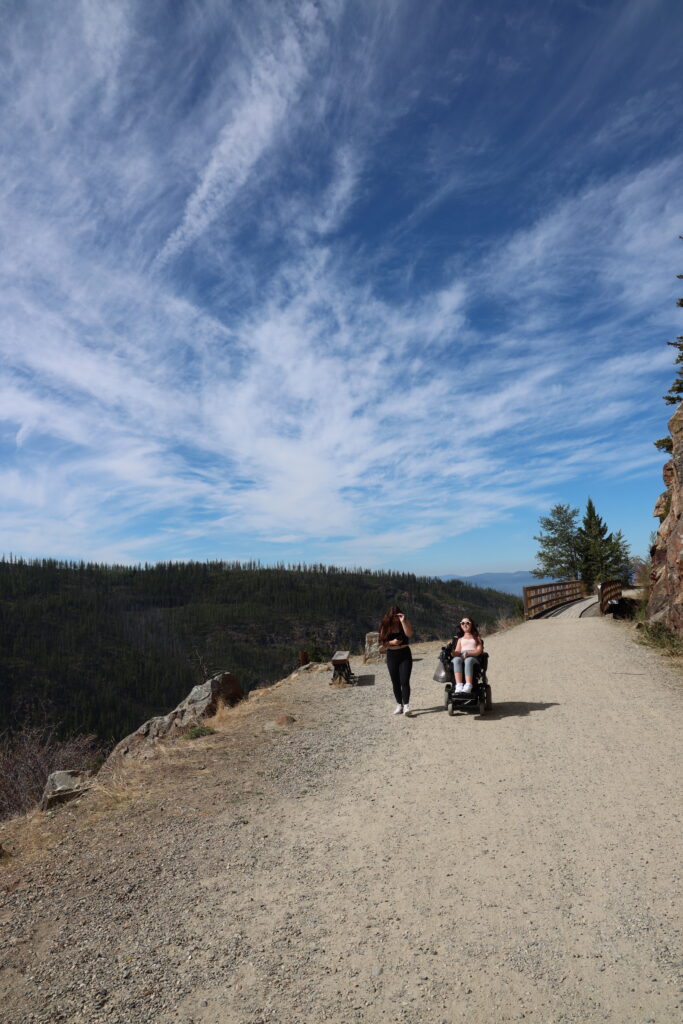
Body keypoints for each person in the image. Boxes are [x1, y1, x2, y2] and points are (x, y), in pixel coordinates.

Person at [379, 604, 414, 716]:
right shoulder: (385, 625)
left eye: (397, 616)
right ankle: (399, 705)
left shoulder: (405, 622)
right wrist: (391, 643)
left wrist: (403, 621)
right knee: (395, 681)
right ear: (389, 616)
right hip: (392, 654)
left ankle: (406, 706)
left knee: (404, 681)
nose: (395, 619)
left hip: (405, 654)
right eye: (393, 616)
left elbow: (409, 634)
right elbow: (382, 642)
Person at [451, 616, 484, 694]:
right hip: (462, 655)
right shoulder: (460, 639)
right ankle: (459, 685)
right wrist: (452, 652)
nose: (464, 625)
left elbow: (479, 651)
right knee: (456, 660)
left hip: (473, 656)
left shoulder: (476, 638)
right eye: (462, 623)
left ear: (471, 624)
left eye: (467, 623)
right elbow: (457, 652)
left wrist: (468, 653)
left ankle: (468, 685)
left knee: (468, 660)